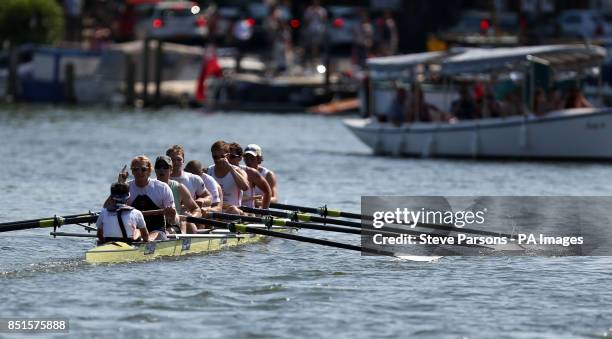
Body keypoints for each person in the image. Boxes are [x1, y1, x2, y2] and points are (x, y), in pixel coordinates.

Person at [112, 155, 177, 241]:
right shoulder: (126, 187)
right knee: (136, 231)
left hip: (156, 231)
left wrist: (172, 216)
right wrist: (119, 185)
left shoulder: (162, 188)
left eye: (143, 169)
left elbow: (172, 221)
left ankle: (145, 242)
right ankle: (136, 241)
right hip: (135, 229)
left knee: (156, 234)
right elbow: (109, 208)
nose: (139, 172)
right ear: (132, 172)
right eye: (136, 169)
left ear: (149, 171)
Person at [154, 155, 201, 234]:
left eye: (165, 167)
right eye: (158, 167)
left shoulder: (178, 187)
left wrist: (190, 218)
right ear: (155, 170)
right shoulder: (149, 186)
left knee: (186, 223)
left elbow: (196, 209)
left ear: (171, 170)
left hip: (174, 225)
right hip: (154, 225)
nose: (161, 169)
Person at [207, 141, 250, 214]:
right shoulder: (209, 171)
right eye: (215, 157)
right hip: (213, 213)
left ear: (228, 156)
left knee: (233, 210)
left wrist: (230, 168)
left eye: (222, 156)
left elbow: (245, 187)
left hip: (232, 213)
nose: (218, 160)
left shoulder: (239, 171)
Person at [228, 142, 272, 209]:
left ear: (259, 159)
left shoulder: (251, 173)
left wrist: (263, 212)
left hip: (248, 213)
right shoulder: (215, 170)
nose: (248, 161)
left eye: (232, 157)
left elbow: (268, 192)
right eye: (246, 157)